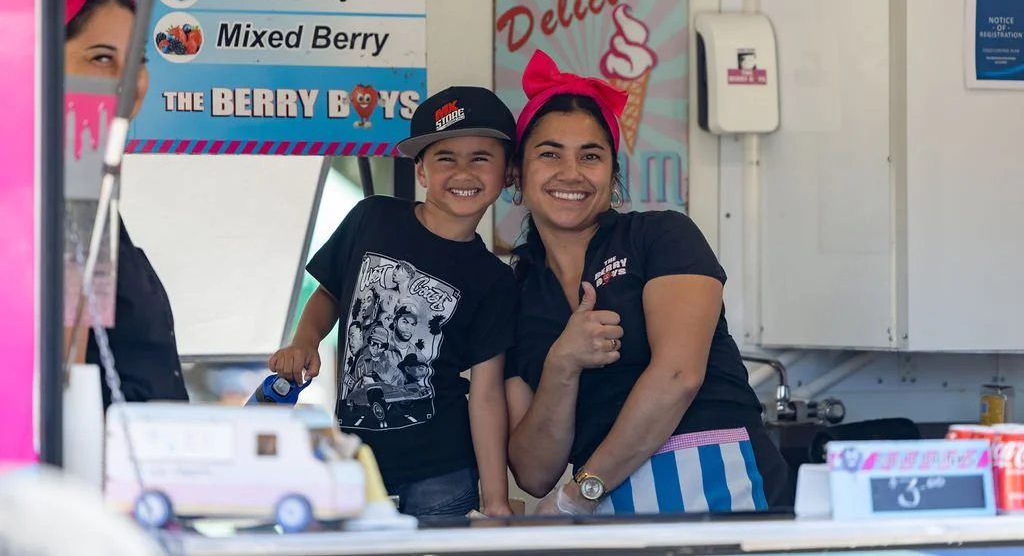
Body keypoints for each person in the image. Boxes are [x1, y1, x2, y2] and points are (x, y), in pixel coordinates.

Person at [504, 50, 792, 515]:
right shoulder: (516, 291)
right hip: (608, 506)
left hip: (718, 479)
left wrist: (582, 492)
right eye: (549, 153)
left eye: (591, 155)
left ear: (612, 176)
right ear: (517, 173)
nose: (571, 172)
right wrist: (563, 363)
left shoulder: (661, 235)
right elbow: (534, 472)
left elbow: (679, 376)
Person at [269, 87, 518, 518]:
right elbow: (330, 291)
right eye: (445, 158)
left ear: (508, 173)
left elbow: (487, 394)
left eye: (481, 157)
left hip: (443, 470)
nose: (463, 171)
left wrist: (495, 499)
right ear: (421, 171)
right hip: (354, 459)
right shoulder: (372, 216)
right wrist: (305, 340)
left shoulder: (495, 278)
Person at [64, 0, 189, 409]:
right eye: (100, 58)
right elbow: (61, 378)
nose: (126, 80)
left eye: (137, 59)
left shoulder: (85, 181)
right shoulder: (60, 186)